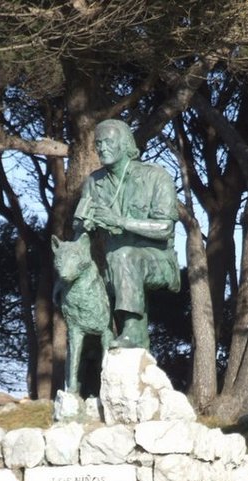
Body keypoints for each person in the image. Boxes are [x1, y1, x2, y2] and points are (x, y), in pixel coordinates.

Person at [73, 119, 180, 349]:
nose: (102, 148)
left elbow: (165, 228)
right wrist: (83, 227)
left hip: (158, 260)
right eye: (98, 143)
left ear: (125, 144)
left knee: (125, 256)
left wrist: (119, 222)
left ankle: (134, 333)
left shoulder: (155, 177)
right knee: (99, 270)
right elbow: (79, 232)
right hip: (113, 264)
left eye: (108, 142)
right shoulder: (94, 182)